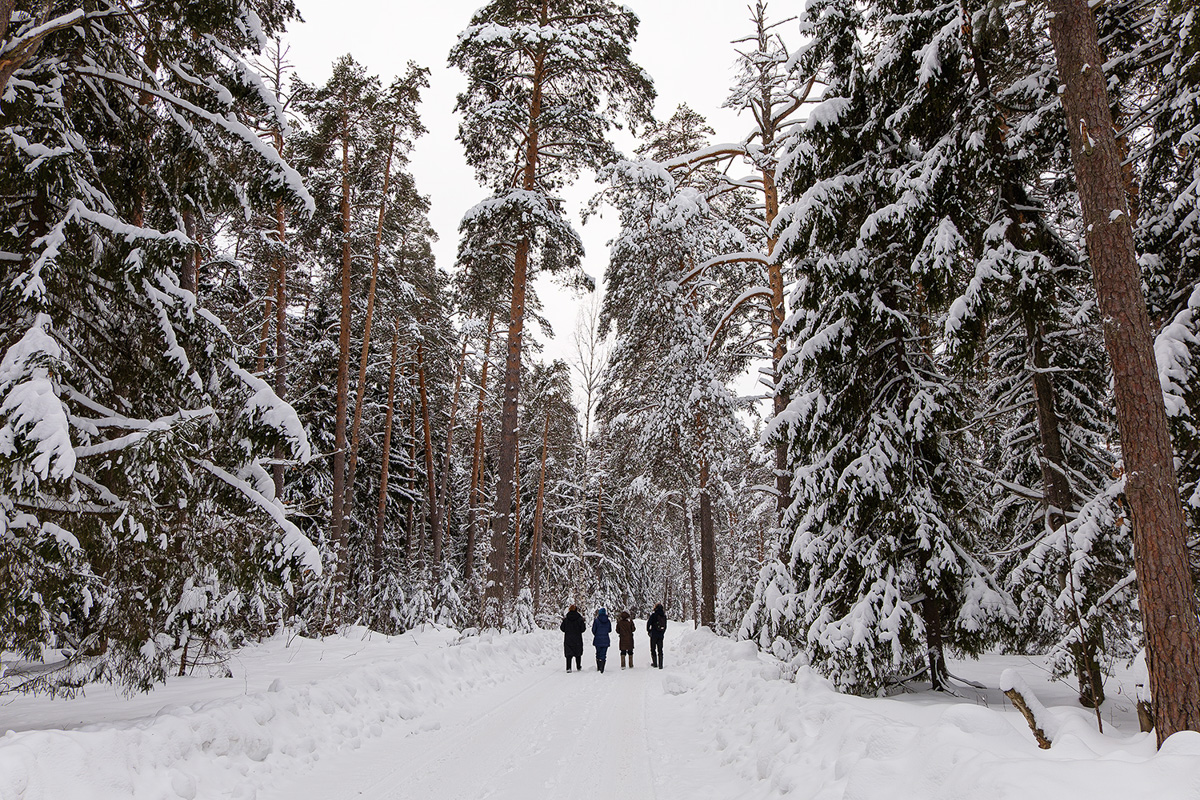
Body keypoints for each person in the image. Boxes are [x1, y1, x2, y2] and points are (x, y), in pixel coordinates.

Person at [560, 604, 586, 672]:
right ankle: (578, 666)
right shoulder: (579, 619)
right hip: (577, 638)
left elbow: (562, 628)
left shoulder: (566, 619)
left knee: (569, 654)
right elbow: (583, 629)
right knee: (578, 653)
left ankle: (568, 668)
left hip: (568, 638)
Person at [592, 607, 612, 673]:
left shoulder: (596, 621)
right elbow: (609, 630)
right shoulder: (608, 621)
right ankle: (602, 668)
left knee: (598, 653)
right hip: (605, 639)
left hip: (597, 639)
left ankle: (598, 666)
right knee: (603, 654)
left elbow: (593, 630)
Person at [647, 603, 667, 669]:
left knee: (653, 649)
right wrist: (662, 633)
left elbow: (648, 623)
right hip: (660, 635)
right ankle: (660, 664)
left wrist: (649, 631)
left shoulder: (653, 615)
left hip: (654, 635)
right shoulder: (664, 616)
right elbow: (665, 626)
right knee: (660, 650)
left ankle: (655, 663)